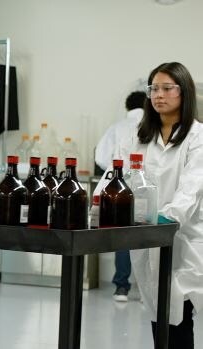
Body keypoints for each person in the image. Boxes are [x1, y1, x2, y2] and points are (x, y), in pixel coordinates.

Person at [114, 62, 202, 348]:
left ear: (184, 92)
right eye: (154, 88)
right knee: (157, 311)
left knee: (179, 311)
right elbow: (120, 176)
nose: (158, 95)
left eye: (167, 88)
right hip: (147, 237)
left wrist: (166, 219)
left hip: (184, 237)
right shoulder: (139, 137)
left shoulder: (197, 136)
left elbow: (191, 188)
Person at [95, 90, 147, 302]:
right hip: (146, 184)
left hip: (120, 183)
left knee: (124, 233)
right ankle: (146, 290)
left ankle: (122, 287)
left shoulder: (117, 127)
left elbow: (100, 157)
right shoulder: (153, 126)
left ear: (128, 107)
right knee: (146, 232)